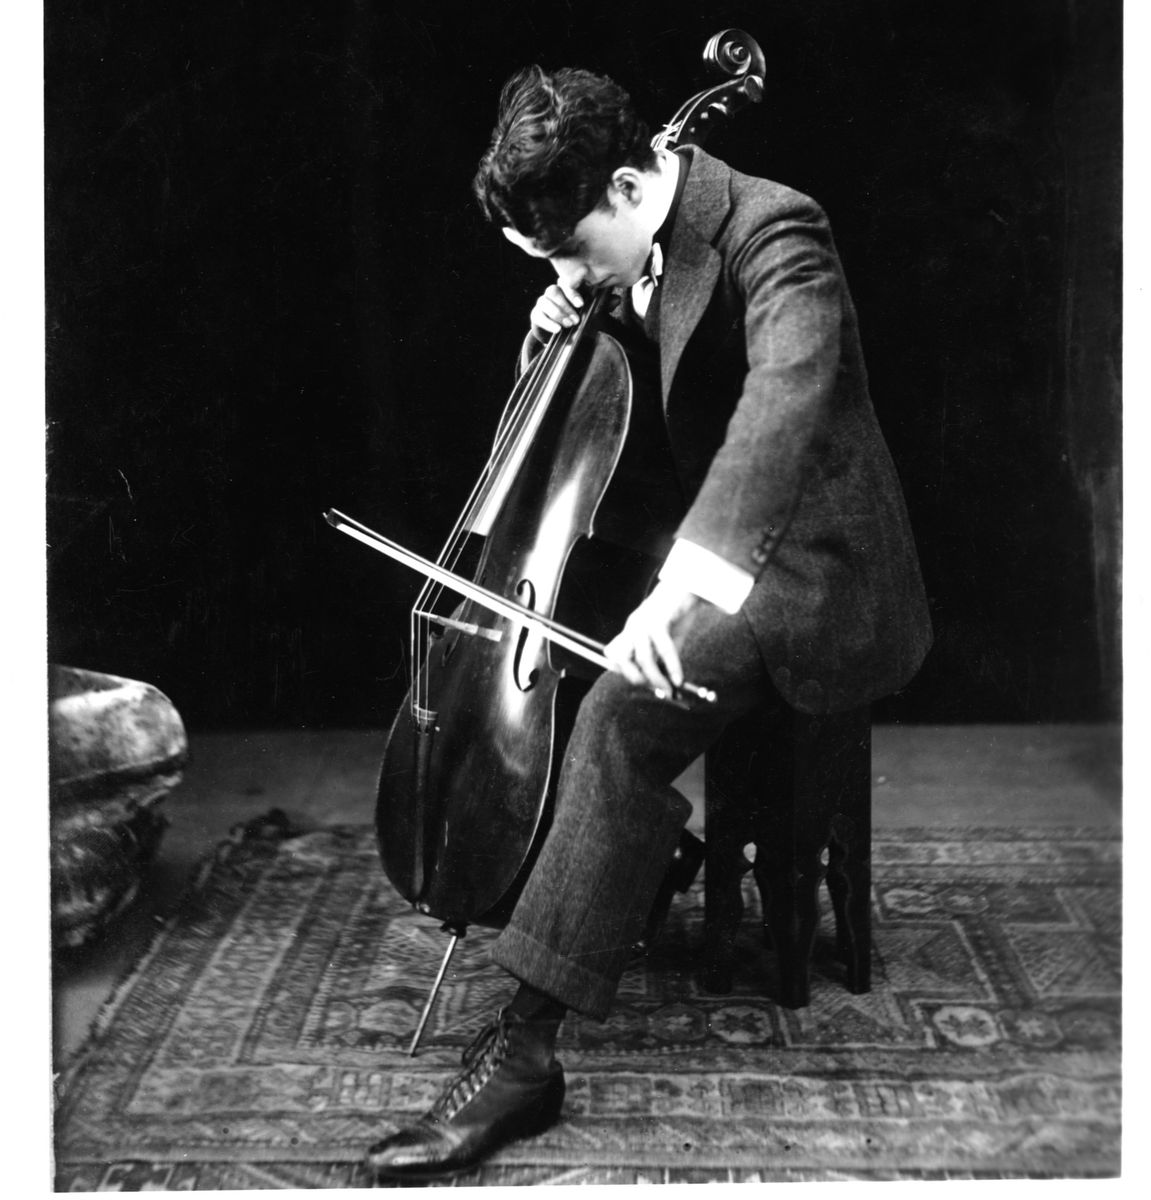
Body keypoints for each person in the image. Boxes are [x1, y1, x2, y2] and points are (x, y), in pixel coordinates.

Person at [365, 64, 932, 1180]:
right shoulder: (614, 248)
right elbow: (576, 438)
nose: (575, 278)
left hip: (812, 566)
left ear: (630, 184)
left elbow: (779, 412)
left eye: (575, 254)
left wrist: (679, 594)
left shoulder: (776, 232)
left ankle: (524, 1054)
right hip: (699, 535)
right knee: (556, 658)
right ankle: (631, 861)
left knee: (622, 712)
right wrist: (549, 338)